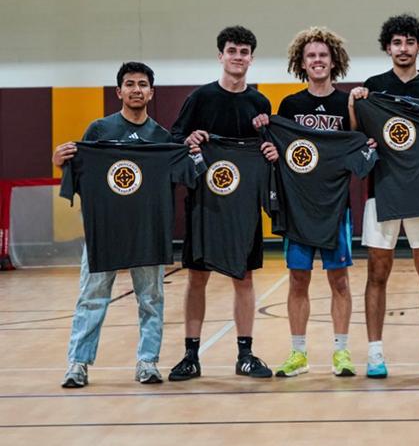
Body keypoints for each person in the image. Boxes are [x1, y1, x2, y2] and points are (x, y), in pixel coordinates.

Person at [168, 25, 279, 381]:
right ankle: (190, 355)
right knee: (197, 277)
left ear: (251, 58)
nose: (238, 57)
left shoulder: (259, 103)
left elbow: (268, 151)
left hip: (243, 206)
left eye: (244, 52)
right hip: (205, 203)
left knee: (244, 277)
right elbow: (174, 141)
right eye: (232, 51)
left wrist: (268, 143)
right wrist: (191, 139)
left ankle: (245, 355)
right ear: (221, 56)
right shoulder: (200, 98)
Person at [252, 27, 362, 378]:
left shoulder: (346, 104)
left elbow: (358, 144)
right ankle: (298, 353)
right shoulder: (291, 105)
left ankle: (341, 352)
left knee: (339, 280)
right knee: (297, 279)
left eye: (323, 56)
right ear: (302, 63)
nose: (317, 61)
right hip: (298, 207)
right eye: (311, 56)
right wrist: (270, 148)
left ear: (334, 61)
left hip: (335, 207)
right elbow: (280, 153)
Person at [56, 62, 171, 388]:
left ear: (152, 92)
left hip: (147, 231)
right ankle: (78, 364)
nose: (137, 89)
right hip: (103, 231)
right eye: (130, 84)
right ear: (119, 91)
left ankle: (147, 362)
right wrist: (59, 161)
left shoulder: (162, 138)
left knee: (151, 300)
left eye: (143, 84)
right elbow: (75, 170)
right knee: (90, 298)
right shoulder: (98, 131)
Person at [349, 14, 419, 378]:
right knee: (377, 272)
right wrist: (353, 103)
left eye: (409, 42)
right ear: (387, 48)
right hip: (383, 189)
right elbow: (356, 136)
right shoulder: (372, 87)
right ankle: (375, 353)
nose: (403, 49)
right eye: (396, 43)